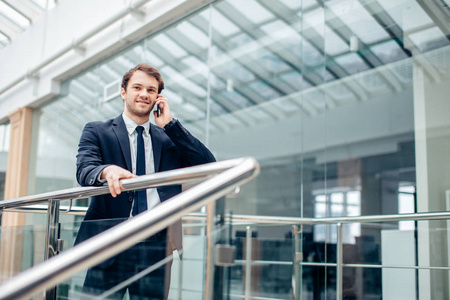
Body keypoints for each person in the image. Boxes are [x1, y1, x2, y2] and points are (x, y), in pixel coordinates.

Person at [74, 63, 216, 299]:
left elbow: (208, 165)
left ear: (158, 97)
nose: (143, 94)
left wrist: (171, 125)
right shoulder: (97, 130)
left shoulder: (170, 138)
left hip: (157, 247)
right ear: (123, 91)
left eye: (151, 90)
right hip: (110, 243)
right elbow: (84, 169)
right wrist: (106, 170)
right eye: (137, 87)